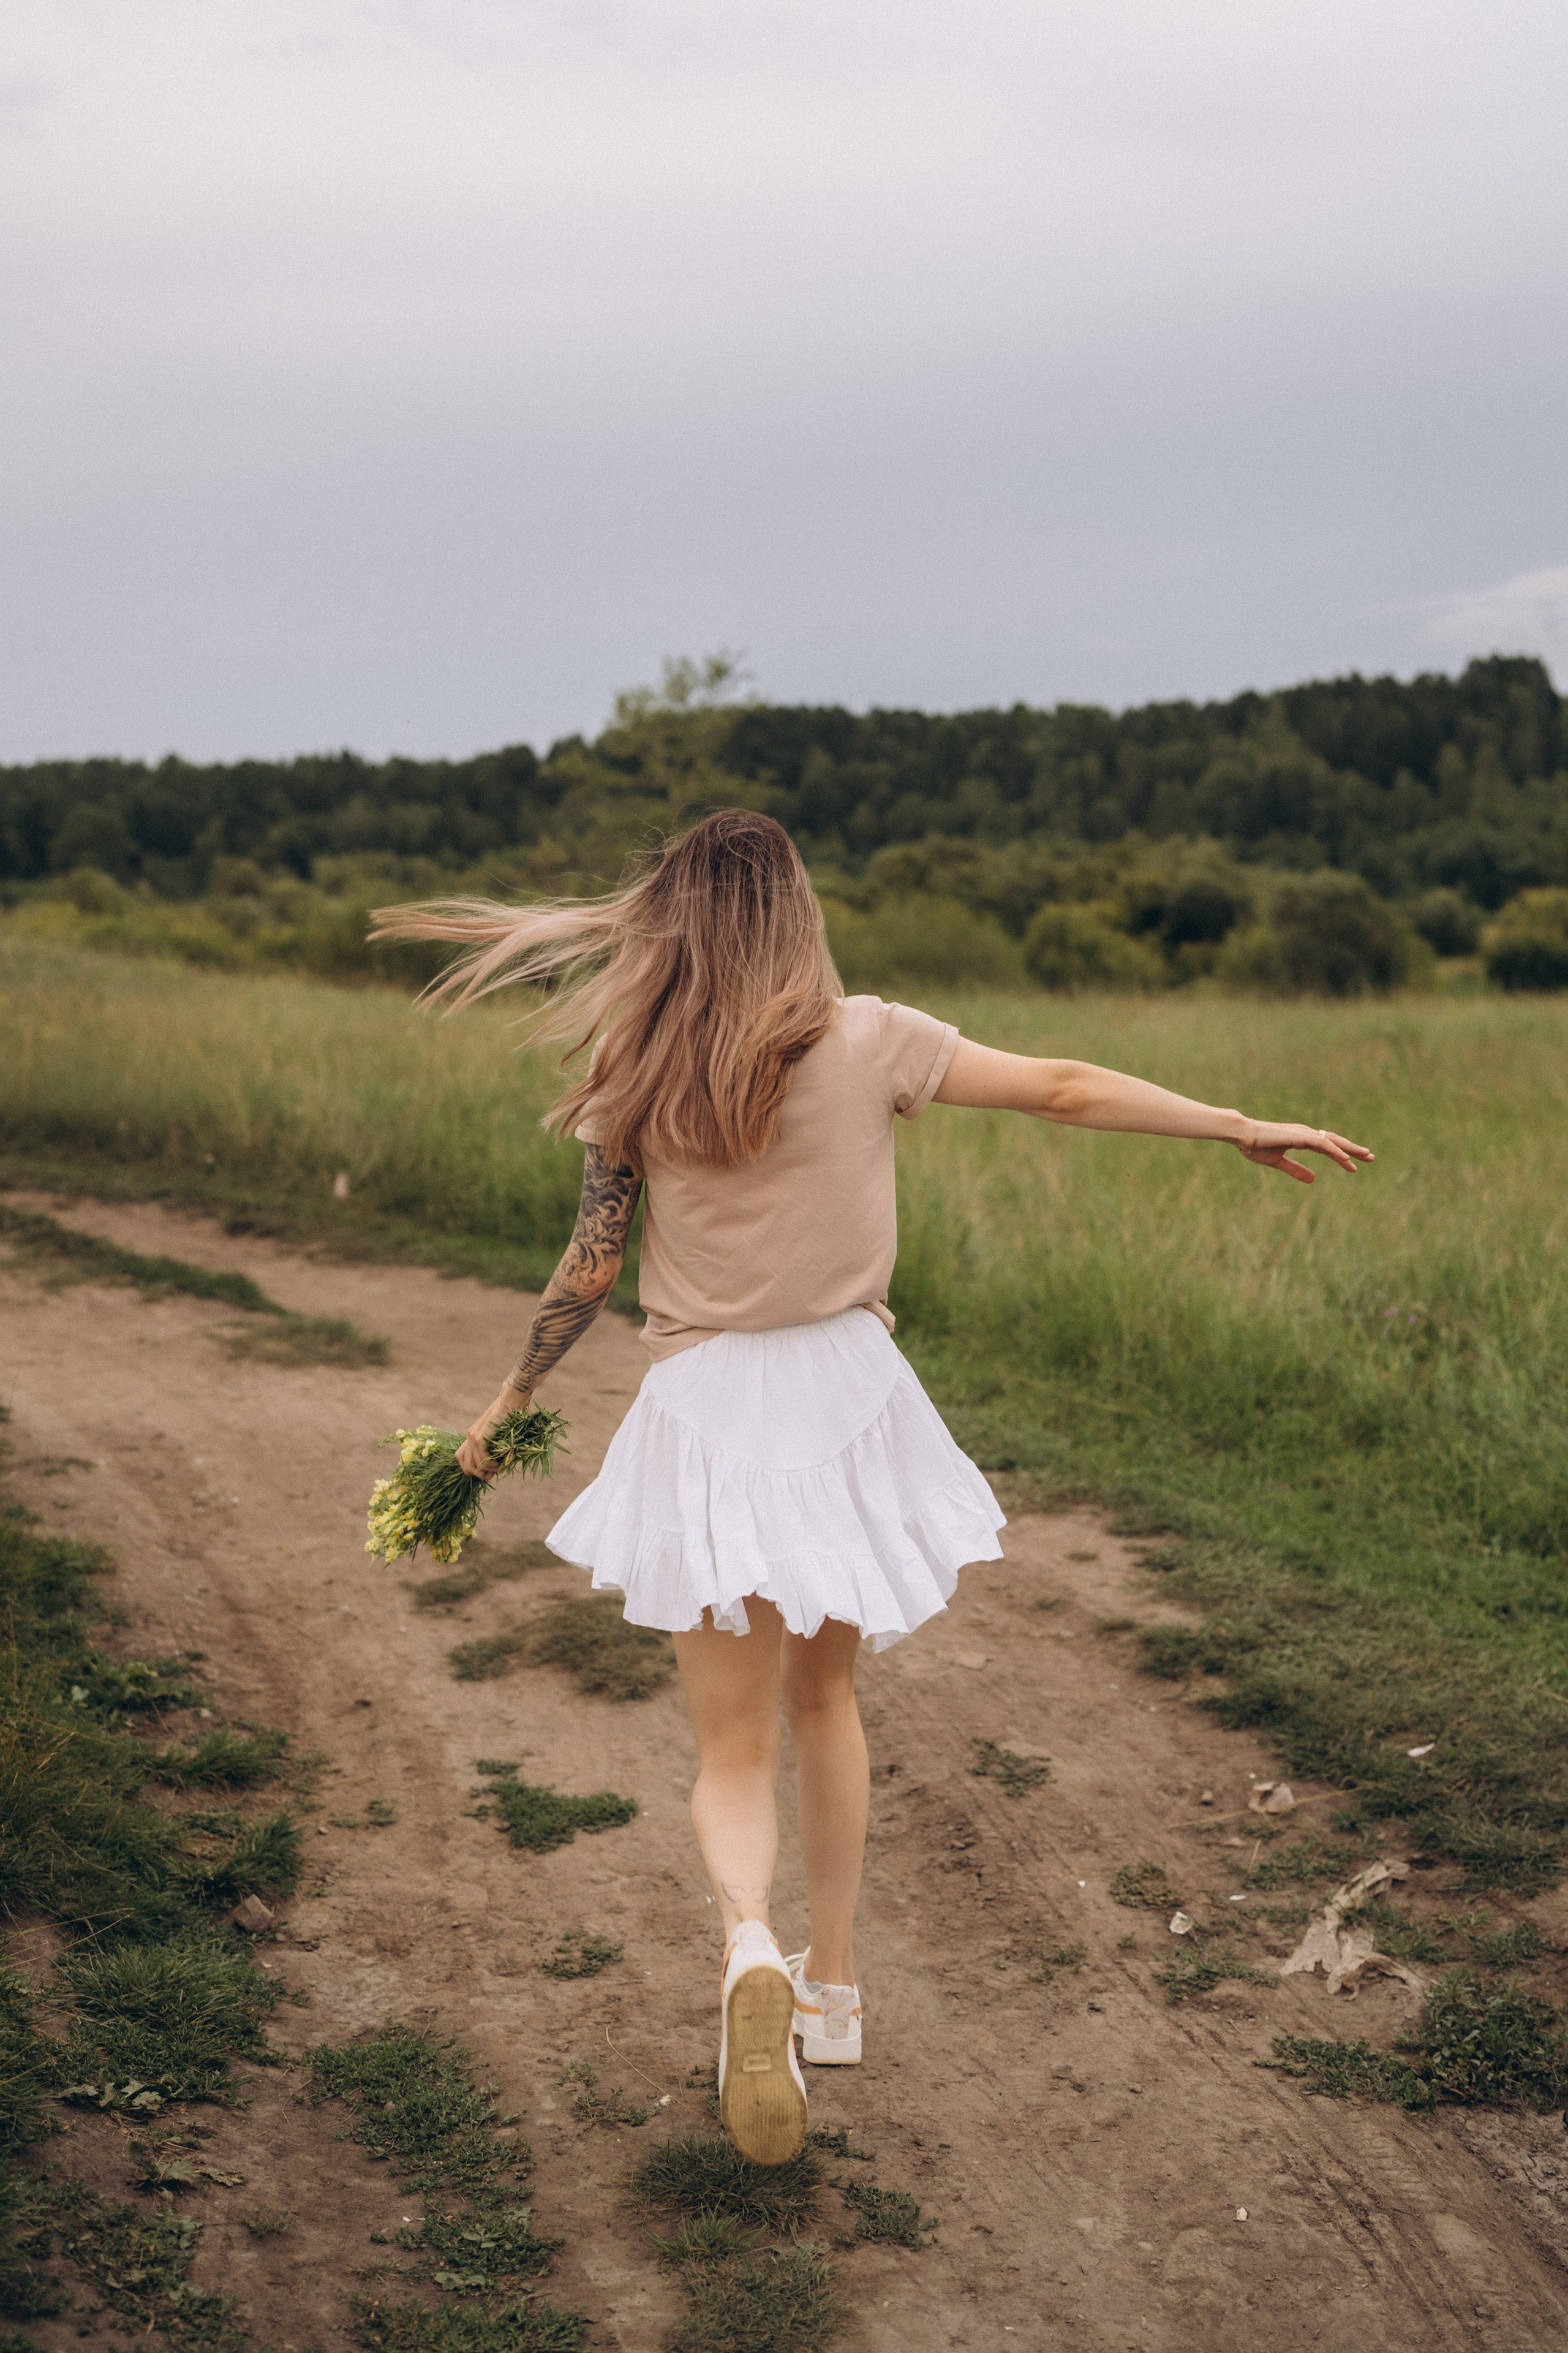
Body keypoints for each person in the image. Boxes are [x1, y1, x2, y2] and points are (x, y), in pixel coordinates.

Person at [374, 810, 1370, 2166]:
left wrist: (501, 1410)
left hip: (705, 1408)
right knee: (824, 1697)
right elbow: (1065, 1085)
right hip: (846, 1399)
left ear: (671, 923)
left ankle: (743, 1950)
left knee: (729, 1750)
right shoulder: (869, 1036)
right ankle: (829, 1990)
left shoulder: (636, 1060)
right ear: (793, 912)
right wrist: (1231, 1123)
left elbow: (588, 1269)